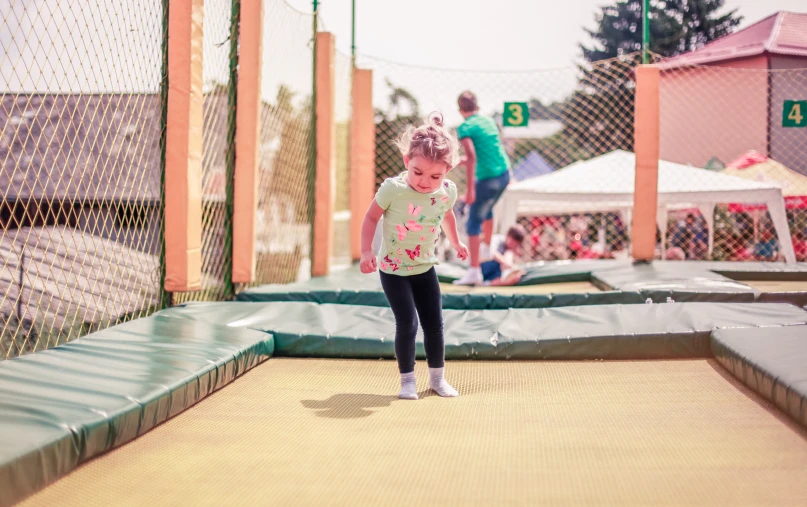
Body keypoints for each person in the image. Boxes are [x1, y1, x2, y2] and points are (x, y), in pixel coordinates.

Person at [359, 112, 468, 401]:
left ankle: (437, 379)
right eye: (418, 172)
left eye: (435, 176)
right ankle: (407, 381)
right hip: (394, 269)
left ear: (447, 171)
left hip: (424, 267)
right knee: (408, 323)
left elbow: (447, 216)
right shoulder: (393, 189)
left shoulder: (446, 192)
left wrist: (456, 242)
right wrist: (366, 251)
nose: (424, 181)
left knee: (434, 323)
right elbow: (371, 218)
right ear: (407, 161)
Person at [452, 91, 511, 286]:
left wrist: (470, 190)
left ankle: (474, 271)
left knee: (472, 224)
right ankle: (486, 247)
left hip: (487, 179)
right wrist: (461, 162)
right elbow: (486, 150)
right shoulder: (488, 121)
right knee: (487, 209)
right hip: (504, 174)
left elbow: (472, 157)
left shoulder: (465, 127)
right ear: (477, 107)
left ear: (461, 110)